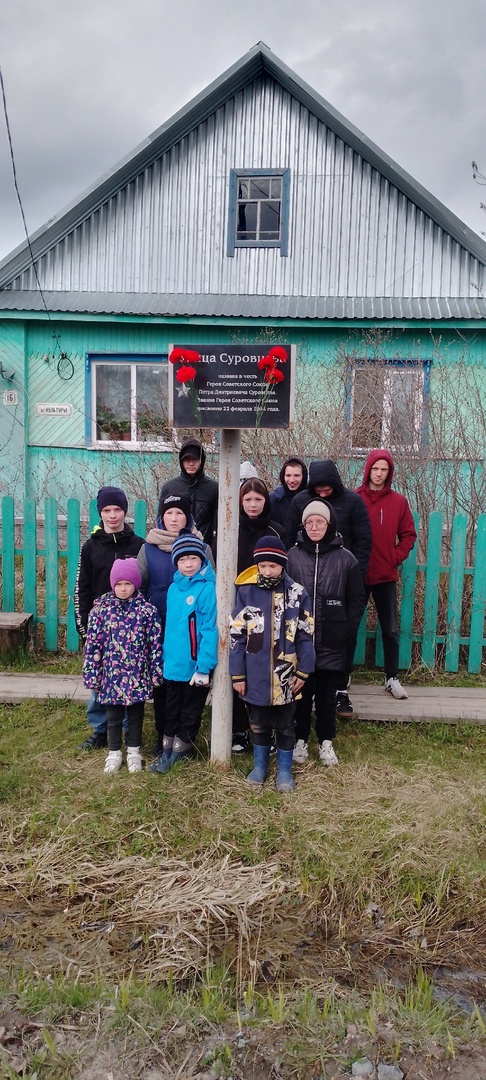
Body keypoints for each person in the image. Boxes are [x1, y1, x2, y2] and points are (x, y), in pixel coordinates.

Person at [286, 459, 372, 719]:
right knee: (303, 637)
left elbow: (364, 539)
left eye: (327, 490)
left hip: (341, 578)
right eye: (318, 490)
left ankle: (340, 689)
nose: (323, 494)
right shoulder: (300, 501)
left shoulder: (353, 502)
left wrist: (355, 572)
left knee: (343, 638)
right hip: (306, 573)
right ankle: (303, 686)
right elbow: (291, 537)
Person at [230, 536, 315, 792]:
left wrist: (304, 669)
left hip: (287, 675)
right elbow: (236, 635)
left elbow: (306, 633)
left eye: (273, 566)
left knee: (286, 724)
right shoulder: (245, 592)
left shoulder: (298, 594)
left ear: (283, 566)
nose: (268, 571)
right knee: (258, 722)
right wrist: (238, 674)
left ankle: (285, 771)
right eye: (263, 566)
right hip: (255, 676)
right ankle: (260, 767)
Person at [287, 501, 366, 766]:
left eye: (319, 522)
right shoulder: (292, 557)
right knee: (300, 694)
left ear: (329, 524)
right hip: (300, 640)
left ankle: (325, 742)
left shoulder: (347, 559)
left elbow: (357, 599)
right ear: (303, 526)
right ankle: (299, 741)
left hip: (333, 639)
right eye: (309, 523)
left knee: (326, 697)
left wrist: (347, 627)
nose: (314, 527)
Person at [137, 493, 214, 754]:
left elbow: (210, 586)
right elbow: (140, 583)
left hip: (190, 631)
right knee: (164, 687)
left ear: (187, 517)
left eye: (179, 513)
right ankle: (163, 736)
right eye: (169, 513)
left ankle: (184, 738)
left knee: (188, 690)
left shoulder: (202, 547)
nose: (174, 518)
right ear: (161, 516)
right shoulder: (149, 546)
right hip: (160, 625)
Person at [74, 486, 145, 749]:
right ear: (100, 513)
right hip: (102, 628)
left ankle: (128, 729)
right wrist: (85, 627)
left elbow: (145, 585)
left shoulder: (139, 545)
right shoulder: (90, 547)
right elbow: (81, 588)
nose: (112, 515)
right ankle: (100, 729)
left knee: (129, 676)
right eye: (106, 510)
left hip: (130, 627)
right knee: (100, 678)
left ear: (124, 512)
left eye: (117, 510)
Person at [82, 559, 163, 775]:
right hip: (111, 677)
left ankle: (134, 752)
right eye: (119, 584)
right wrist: (93, 675)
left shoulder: (147, 611)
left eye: (128, 583)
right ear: (112, 585)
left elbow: (154, 644)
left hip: (137, 675)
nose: (123, 588)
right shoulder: (101, 611)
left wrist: (156, 673)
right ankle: (114, 752)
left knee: (136, 716)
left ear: (135, 584)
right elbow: (93, 645)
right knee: (114, 717)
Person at [150, 532, 218, 775]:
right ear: (176, 562)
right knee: (171, 708)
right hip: (173, 664)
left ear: (201, 559)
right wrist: (164, 657)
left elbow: (210, 629)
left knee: (190, 710)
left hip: (194, 667)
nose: (188, 564)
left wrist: (204, 666)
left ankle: (183, 747)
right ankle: (168, 745)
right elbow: (171, 628)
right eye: (182, 560)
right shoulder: (173, 588)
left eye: (193, 558)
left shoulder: (208, 589)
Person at [356, 449, 417, 700]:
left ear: (389, 473)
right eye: (375, 469)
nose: (379, 474)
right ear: (368, 470)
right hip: (357, 574)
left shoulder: (398, 502)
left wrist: (394, 557)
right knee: (349, 626)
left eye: (384, 470)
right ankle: (342, 676)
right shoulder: (355, 498)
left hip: (385, 575)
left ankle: (391, 678)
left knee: (389, 629)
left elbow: (408, 535)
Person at [232, 478, 286, 753]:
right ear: (240, 502)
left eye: (258, 499)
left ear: (266, 501)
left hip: (268, 606)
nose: (253, 505)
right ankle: (239, 729)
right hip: (238, 603)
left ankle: (270, 732)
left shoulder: (275, 531)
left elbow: (282, 568)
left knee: (266, 664)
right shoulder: (230, 528)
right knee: (239, 663)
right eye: (247, 500)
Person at [158, 437, 218, 547]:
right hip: (173, 548)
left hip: (203, 547)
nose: (191, 463)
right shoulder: (169, 487)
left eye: (195, 459)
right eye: (187, 459)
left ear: (202, 460)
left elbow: (217, 524)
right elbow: (160, 522)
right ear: (181, 461)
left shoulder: (214, 488)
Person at [269, 456, 308, 541]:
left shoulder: (311, 497)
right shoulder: (274, 498)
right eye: (288, 475)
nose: (292, 480)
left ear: (303, 476)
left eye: (296, 475)